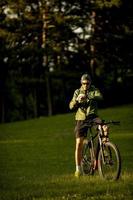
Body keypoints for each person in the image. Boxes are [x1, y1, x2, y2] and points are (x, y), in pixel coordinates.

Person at [69, 73, 103, 177]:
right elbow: (70, 106)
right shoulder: (77, 92)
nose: (85, 85)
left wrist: (88, 95)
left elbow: (100, 97)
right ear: (81, 83)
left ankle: (104, 150)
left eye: (87, 83)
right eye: (83, 83)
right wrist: (76, 101)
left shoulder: (94, 90)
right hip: (81, 119)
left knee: (104, 127)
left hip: (93, 117)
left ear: (90, 83)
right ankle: (78, 169)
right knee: (79, 143)